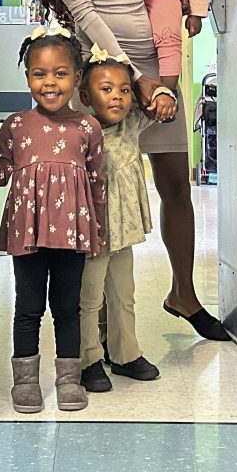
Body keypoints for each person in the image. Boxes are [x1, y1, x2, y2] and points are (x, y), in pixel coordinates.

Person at [30, 0, 230, 342]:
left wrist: (187, 12)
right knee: (99, 192)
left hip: (158, 64)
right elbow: (83, 8)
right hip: (101, 70)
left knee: (174, 184)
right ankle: (94, 328)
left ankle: (183, 294)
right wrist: (126, 73)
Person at [0, 26, 106, 414]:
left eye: (60, 73)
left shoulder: (88, 128)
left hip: (72, 234)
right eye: (39, 74)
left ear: (77, 78)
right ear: (28, 76)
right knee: (28, 307)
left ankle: (69, 379)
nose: (49, 83)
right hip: (26, 233)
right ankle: (26, 381)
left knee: (67, 307)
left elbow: (98, 183)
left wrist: (96, 230)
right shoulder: (16, 125)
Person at [76, 47, 171, 392]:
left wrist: (157, 91)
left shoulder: (131, 124)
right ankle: (87, 359)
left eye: (124, 89)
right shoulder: (78, 131)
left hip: (124, 231)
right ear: (85, 96)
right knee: (88, 299)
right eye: (106, 89)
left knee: (123, 293)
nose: (116, 96)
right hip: (91, 234)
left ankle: (125, 353)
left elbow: (162, 106)